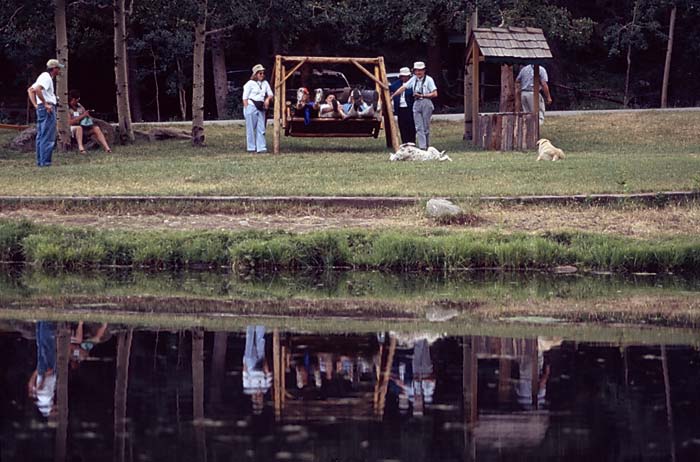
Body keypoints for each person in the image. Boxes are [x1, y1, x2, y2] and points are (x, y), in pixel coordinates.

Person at [390, 61, 437, 149]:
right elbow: (403, 88)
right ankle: (422, 147)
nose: (418, 72)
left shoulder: (429, 79)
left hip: (426, 102)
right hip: (416, 103)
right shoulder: (413, 79)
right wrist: (393, 96)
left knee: (425, 126)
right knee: (418, 126)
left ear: (424, 71)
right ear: (414, 71)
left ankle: (427, 146)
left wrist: (422, 95)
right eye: (417, 70)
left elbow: (435, 94)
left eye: (420, 70)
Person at [27, 59, 64, 167]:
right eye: (58, 68)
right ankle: (46, 163)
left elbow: (30, 90)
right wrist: (45, 103)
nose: (59, 70)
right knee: (48, 136)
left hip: (41, 108)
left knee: (41, 135)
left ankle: (41, 162)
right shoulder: (47, 78)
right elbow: (37, 89)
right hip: (47, 108)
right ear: (54, 69)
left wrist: (35, 105)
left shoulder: (42, 76)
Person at [27, 321, 57, 417]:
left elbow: (40, 388)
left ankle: (45, 323)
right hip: (42, 371)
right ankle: (40, 323)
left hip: (47, 370)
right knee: (40, 346)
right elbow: (31, 384)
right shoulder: (39, 398)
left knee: (47, 345)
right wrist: (36, 373)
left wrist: (45, 375)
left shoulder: (45, 398)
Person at [242, 64, 274, 153]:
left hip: (261, 107)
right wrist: (247, 108)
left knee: (261, 128)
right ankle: (251, 148)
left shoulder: (265, 83)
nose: (262, 75)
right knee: (251, 128)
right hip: (251, 105)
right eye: (260, 73)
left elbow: (270, 94)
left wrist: (267, 99)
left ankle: (261, 147)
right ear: (255, 74)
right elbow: (245, 98)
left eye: (263, 73)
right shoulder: (249, 84)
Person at [242, 325, 272, 414]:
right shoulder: (265, 389)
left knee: (249, 341)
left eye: (257, 401)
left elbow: (245, 373)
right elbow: (268, 374)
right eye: (260, 401)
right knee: (260, 342)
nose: (259, 399)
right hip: (260, 367)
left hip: (251, 367)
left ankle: (250, 325)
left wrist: (245, 361)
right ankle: (260, 325)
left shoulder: (248, 388)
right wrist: (264, 363)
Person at [389, 67, 416, 144]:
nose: (405, 78)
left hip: (410, 107)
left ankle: (412, 141)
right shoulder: (396, 84)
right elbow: (389, 88)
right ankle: (404, 142)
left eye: (406, 76)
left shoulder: (412, 83)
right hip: (400, 108)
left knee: (411, 125)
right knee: (402, 125)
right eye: (403, 76)